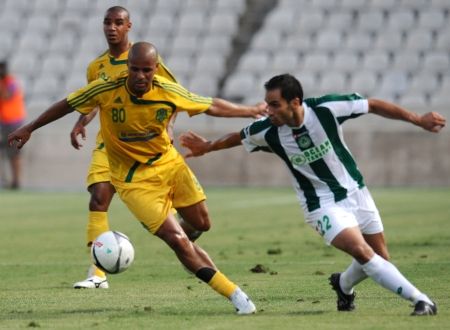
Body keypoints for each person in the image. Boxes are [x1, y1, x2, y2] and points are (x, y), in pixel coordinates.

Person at [8, 42, 268, 314]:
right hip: (134, 181)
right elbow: (67, 104)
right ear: (128, 67)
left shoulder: (168, 90)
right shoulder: (106, 88)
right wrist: (30, 128)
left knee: (201, 223)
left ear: (156, 69)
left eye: (146, 70)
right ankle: (236, 295)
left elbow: (210, 105)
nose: (140, 76)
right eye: (135, 69)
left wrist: (250, 111)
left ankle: (188, 252)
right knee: (176, 240)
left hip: (171, 166)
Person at [179, 74, 446, 316]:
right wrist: (207, 147)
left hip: (357, 192)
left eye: (274, 104)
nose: (267, 110)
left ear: (294, 102)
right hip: (321, 205)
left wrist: (417, 119)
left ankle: (342, 284)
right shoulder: (268, 131)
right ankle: (421, 300)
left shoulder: (326, 109)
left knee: (380, 258)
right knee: (364, 254)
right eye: (266, 104)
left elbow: (372, 104)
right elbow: (237, 137)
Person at [70, 6, 184, 290]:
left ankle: (182, 232)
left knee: (159, 214)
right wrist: (80, 122)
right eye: (107, 22)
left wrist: (168, 126)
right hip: (108, 145)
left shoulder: (145, 59)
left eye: (118, 23)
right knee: (98, 199)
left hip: (144, 147)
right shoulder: (96, 67)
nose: (112, 27)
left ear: (128, 26)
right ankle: (97, 273)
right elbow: (93, 101)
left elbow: (173, 97)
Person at [0, 61, 27, 189]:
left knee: (14, 152)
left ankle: (16, 181)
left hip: (14, 122)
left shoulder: (11, 82)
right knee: (6, 152)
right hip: (3, 122)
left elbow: (6, 96)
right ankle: (6, 180)